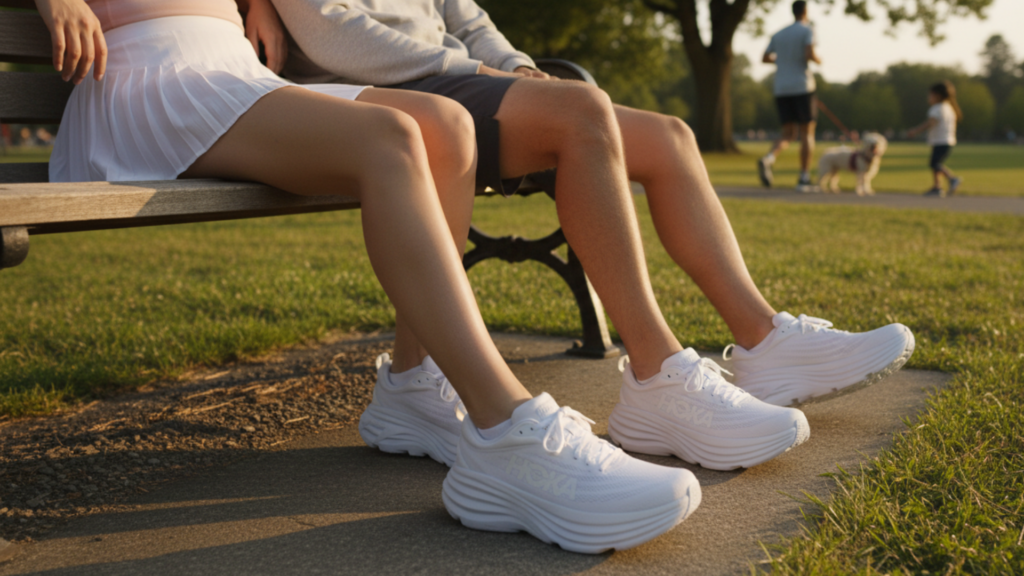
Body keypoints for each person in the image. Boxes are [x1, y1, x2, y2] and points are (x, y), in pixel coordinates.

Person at [37, 0, 818, 554]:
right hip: (151, 77)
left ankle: (416, 388)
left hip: (233, 71)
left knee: (438, 125)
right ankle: (503, 429)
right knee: (389, 135)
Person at [269, 0, 916, 461]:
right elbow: (333, 32)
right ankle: (657, 375)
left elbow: (468, 20)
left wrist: (518, 71)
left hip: (458, 83)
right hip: (376, 97)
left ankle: (765, 342)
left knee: (669, 136)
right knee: (581, 112)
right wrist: (479, 74)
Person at [758, 0, 821, 190]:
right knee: (806, 134)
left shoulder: (779, 34)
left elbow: (765, 57)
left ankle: (769, 158)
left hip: (781, 88)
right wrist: (818, 60)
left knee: (788, 134)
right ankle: (803, 177)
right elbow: (810, 53)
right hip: (802, 86)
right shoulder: (807, 30)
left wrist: (782, 60)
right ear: (805, 11)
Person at [907, 81, 963, 197]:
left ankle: (952, 179)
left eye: (930, 95)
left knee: (934, 163)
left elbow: (931, 123)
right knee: (935, 163)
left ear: (937, 95)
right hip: (947, 140)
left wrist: (915, 131)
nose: (928, 98)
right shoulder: (949, 107)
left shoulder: (936, 108)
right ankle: (937, 187)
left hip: (940, 141)